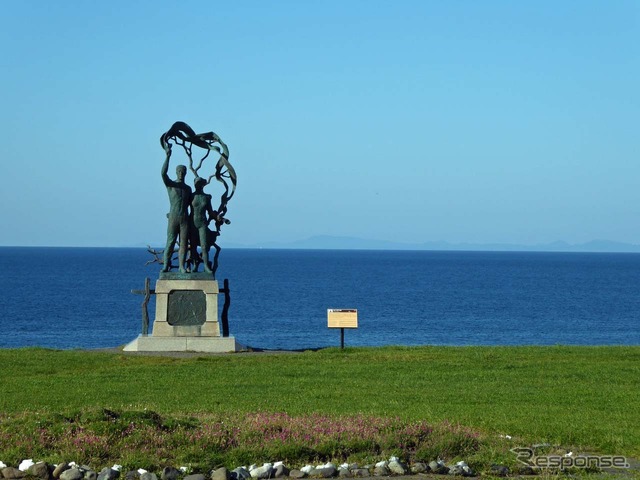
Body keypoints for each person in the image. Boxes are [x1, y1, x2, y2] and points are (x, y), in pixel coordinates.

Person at [161, 144, 192, 273]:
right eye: (179, 171)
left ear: (185, 173)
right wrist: (168, 156)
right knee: (170, 242)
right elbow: (163, 173)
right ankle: (165, 265)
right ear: (176, 172)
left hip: (184, 218)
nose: (181, 174)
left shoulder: (188, 189)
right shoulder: (171, 185)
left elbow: (192, 205)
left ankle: (181, 266)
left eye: (183, 172)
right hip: (173, 217)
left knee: (183, 243)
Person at [190, 177, 217, 273]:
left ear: (202, 185)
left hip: (203, 223)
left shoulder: (206, 197)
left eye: (199, 183)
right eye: (196, 183)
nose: (197, 185)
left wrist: (216, 218)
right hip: (192, 223)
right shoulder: (191, 196)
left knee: (204, 246)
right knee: (193, 246)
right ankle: (195, 265)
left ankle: (205, 266)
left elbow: (210, 212)